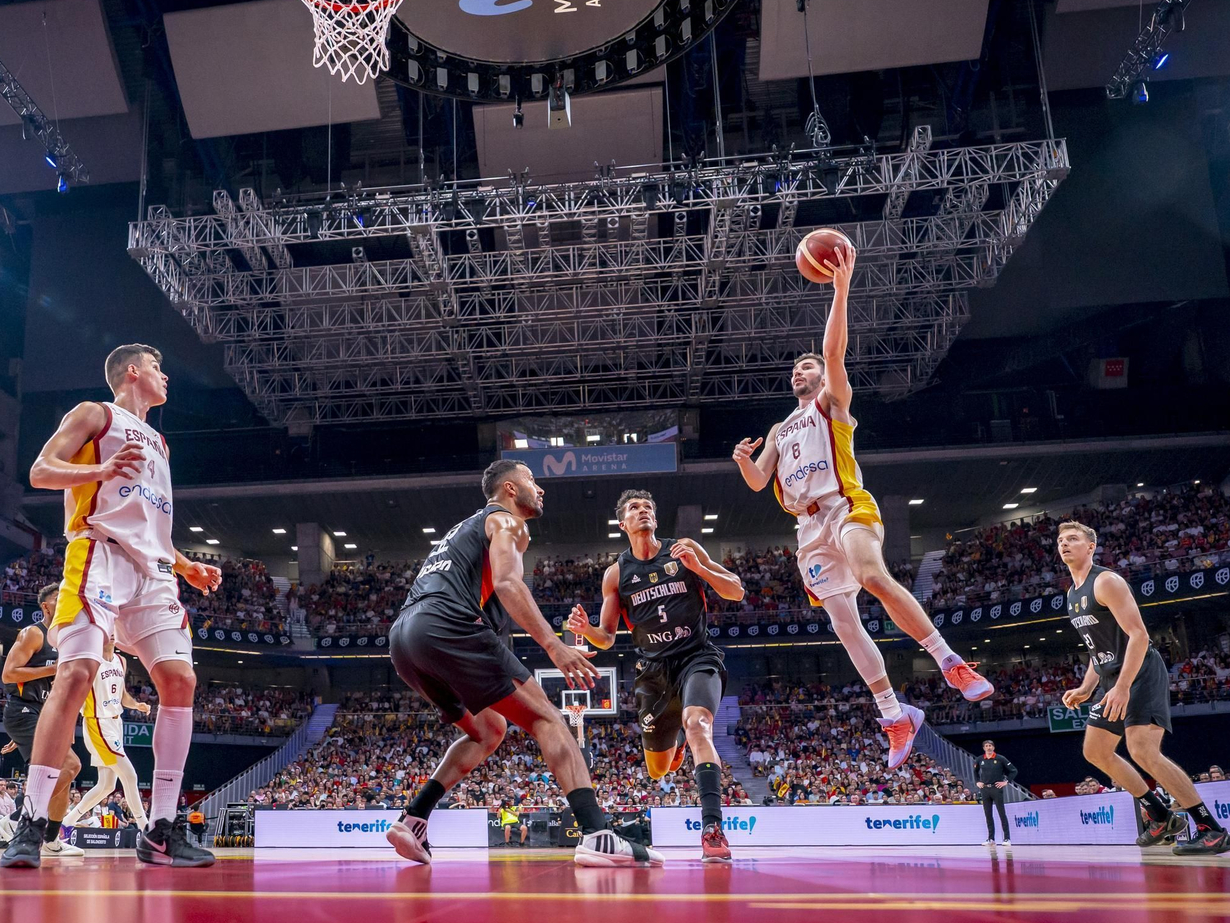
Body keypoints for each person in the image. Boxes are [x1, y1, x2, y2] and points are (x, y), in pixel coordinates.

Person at [731, 242, 992, 767]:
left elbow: (833, 354)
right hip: (807, 531)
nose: (800, 371)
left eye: (807, 366)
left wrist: (841, 290)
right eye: (796, 370)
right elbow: (760, 483)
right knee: (845, 625)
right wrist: (742, 460)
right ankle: (895, 715)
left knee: (873, 576)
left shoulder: (832, 402)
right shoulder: (780, 428)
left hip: (844, 503)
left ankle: (948, 661)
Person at [1, 344, 220, 869]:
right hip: (97, 554)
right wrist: (97, 471)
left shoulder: (161, 444)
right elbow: (40, 471)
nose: (165, 376)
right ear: (132, 371)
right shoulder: (95, 414)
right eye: (157, 367)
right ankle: (31, 822)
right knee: (75, 673)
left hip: (154, 572)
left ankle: (162, 830)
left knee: (180, 681)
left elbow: (146, 519)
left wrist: (185, 563)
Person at [385, 459, 662, 868]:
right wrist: (555, 646)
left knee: (489, 730)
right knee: (549, 719)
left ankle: (413, 818)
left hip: (404, 641)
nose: (541, 488)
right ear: (510, 489)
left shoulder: (461, 532)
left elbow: (491, 607)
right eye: (532, 479)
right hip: (445, 625)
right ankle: (596, 834)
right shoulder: (507, 521)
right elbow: (508, 583)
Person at [567, 489, 745, 863]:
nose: (643, 511)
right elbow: (606, 637)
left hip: (696, 657)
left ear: (655, 519)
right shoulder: (617, 573)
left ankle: (713, 830)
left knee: (698, 725)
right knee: (658, 769)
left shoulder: (683, 548)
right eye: (634, 508)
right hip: (653, 674)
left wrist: (700, 568)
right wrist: (585, 630)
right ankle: (675, 739)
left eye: (648, 506)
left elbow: (735, 590)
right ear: (623, 524)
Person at [1057, 520, 1230, 855]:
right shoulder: (1072, 594)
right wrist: (1085, 688)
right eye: (1061, 540)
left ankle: (1211, 829)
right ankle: (1159, 815)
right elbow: (1101, 651)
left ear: (1091, 547)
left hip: (1140, 672)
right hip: (1112, 675)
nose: (1065, 544)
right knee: (1095, 751)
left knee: (1142, 751)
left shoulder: (1106, 581)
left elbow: (1139, 636)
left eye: (1073, 539)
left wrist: (1123, 687)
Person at [0, 585, 84, 858]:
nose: (66, 603)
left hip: (45, 713)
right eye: (60, 599)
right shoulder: (33, 633)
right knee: (72, 764)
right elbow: (8, 674)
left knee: (67, 775)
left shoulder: (67, 639)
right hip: (23, 710)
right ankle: (16, 819)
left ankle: (50, 841)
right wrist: (53, 667)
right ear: (46, 607)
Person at [66, 637, 151, 829]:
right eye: (106, 631)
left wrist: (137, 705)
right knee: (130, 775)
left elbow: (121, 696)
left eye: (113, 631)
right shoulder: (91, 660)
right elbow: (76, 694)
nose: (111, 634)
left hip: (116, 723)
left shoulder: (121, 660)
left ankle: (66, 822)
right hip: (97, 723)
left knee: (106, 785)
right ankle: (144, 827)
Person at [975, 740, 1016, 847]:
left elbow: (1014, 770)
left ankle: (1007, 838)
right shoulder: (980, 759)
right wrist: (977, 782)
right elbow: (975, 772)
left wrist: (1006, 782)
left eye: (990, 746)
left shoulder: (1000, 758)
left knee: (1001, 813)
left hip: (996, 788)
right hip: (985, 789)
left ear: (993, 747)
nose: (988, 748)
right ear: (983, 748)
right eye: (986, 746)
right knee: (988, 814)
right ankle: (991, 838)